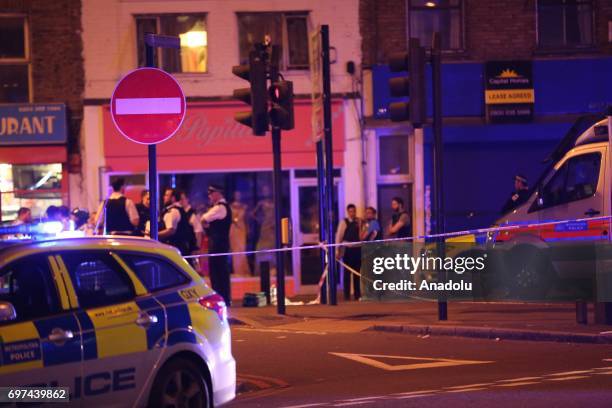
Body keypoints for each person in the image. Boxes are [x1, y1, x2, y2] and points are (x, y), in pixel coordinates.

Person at [201, 184, 232, 305]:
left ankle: (222, 299)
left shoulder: (220, 207)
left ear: (217, 193)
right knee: (219, 272)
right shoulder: (220, 207)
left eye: (211, 193)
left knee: (218, 273)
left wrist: (206, 225)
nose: (209, 196)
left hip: (218, 245)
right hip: (219, 244)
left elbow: (204, 218)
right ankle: (224, 298)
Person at [335, 204, 362, 301]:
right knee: (347, 273)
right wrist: (337, 250)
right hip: (348, 250)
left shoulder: (359, 221)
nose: (352, 213)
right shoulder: (344, 222)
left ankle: (357, 295)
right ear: (347, 212)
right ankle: (346, 295)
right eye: (350, 211)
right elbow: (339, 235)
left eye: (354, 211)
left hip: (357, 249)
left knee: (357, 273)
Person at [253, 185, 275, 275]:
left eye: (267, 190)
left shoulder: (274, 201)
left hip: (273, 226)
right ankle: (262, 270)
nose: (266, 192)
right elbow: (253, 214)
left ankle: (273, 268)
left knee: (273, 246)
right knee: (263, 246)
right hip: (265, 226)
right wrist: (260, 221)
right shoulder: (261, 203)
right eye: (264, 191)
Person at [230, 191, 250, 276]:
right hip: (234, 229)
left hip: (242, 229)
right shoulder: (231, 206)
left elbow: (247, 219)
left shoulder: (244, 206)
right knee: (236, 250)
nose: (238, 196)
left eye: (239, 194)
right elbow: (233, 219)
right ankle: (237, 271)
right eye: (236, 194)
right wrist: (239, 216)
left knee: (242, 249)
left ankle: (243, 271)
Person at [179, 190, 203, 261]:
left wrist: (196, 248)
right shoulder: (182, 213)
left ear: (187, 199)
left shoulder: (192, 214)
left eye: (182, 199)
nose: (180, 201)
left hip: (190, 248)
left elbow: (198, 231)